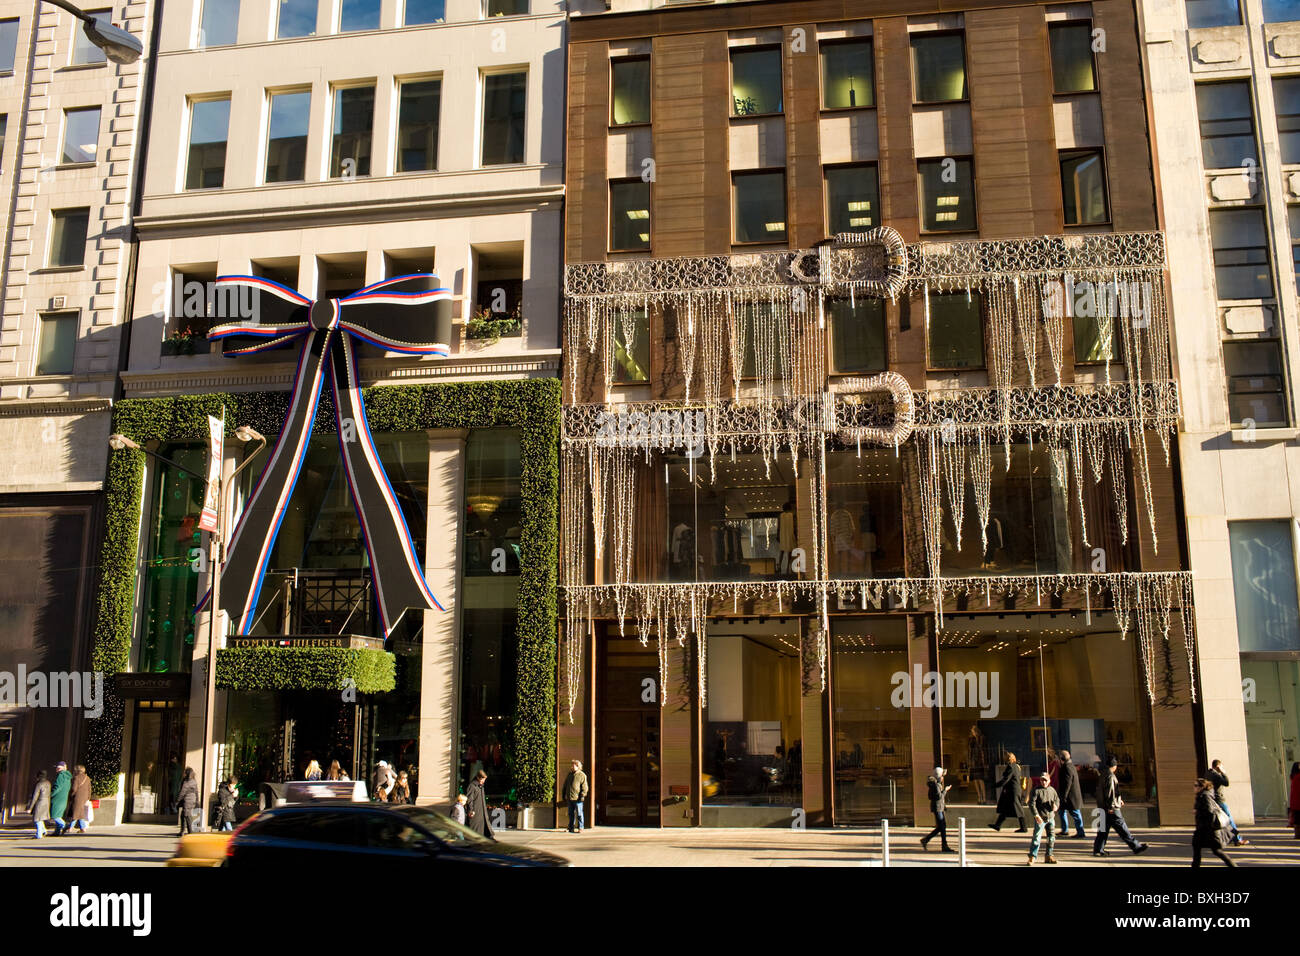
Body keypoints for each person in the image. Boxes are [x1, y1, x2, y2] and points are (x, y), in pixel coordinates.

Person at [1093, 755, 1149, 857]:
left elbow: (1107, 793)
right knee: (1123, 828)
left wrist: (1118, 800)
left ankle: (1098, 849)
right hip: (1112, 808)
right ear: (1114, 766)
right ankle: (1136, 846)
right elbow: (1110, 793)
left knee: (1102, 830)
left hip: (1103, 807)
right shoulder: (1111, 776)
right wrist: (1111, 806)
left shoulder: (1103, 775)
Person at [1192, 778, 1237, 867]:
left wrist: (1198, 812)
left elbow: (1210, 812)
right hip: (1205, 829)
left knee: (1216, 851)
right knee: (1198, 847)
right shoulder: (1203, 795)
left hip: (1208, 830)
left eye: (1196, 785)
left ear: (1202, 787)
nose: (1194, 787)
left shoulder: (1205, 796)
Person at [1205, 759, 1248, 846]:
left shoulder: (1207, 773)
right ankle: (1237, 839)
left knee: (1216, 821)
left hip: (1212, 800)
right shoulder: (1216, 775)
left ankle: (1212, 839)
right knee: (1229, 819)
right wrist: (1223, 772)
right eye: (1221, 767)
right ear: (1218, 767)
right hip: (1219, 800)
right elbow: (1226, 782)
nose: (1222, 768)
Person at [1027, 771, 1060, 865]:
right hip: (1040, 818)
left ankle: (1049, 855)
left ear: (1049, 781)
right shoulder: (1036, 790)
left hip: (1050, 817)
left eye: (1045, 780)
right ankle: (1032, 856)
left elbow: (1057, 799)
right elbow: (1031, 804)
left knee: (1051, 837)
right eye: (1042, 780)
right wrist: (1036, 815)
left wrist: (1056, 806)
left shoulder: (1052, 790)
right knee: (1037, 837)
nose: (1043, 782)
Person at [990, 752, 1028, 832]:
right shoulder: (1016, 766)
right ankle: (997, 825)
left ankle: (1024, 828)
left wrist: (994, 785)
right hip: (1013, 791)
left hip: (1012, 791)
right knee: (1005, 808)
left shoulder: (1011, 767)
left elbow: (1005, 780)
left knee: (1018, 808)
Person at [921, 765, 954, 852]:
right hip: (938, 808)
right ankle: (941, 844)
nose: (943, 777)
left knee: (942, 826)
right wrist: (945, 790)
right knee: (941, 826)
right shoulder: (936, 785)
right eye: (942, 776)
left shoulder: (934, 784)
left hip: (939, 807)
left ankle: (928, 840)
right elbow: (939, 796)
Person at [1058, 749, 1086, 838]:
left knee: (1075, 813)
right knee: (1062, 811)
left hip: (1070, 796)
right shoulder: (1070, 766)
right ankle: (1065, 829)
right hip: (1070, 796)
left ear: (1061, 758)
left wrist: (1064, 796)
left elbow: (1067, 783)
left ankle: (1080, 832)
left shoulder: (1067, 767)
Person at [464, 769, 494, 838]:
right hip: (476, 814)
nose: (483, 781)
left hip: (482, 814)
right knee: (475, 833)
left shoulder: (480, 786)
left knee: (484, 832)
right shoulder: (472, 786)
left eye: (484, 779)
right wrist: (471, 810)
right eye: (482, 779)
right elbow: (469, 799)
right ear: (478, 778)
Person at [562, 759, 590, 833]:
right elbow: (565, 785)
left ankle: (581, 827)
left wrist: (582, 795)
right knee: (571, 814)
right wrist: (564, 794)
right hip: (570, 798)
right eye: (572, 765)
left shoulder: (582, 775)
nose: (572, 766)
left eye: (574, 765)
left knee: (579, 814)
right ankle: (570, 827)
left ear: (578, 766)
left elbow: (585, 787)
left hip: (578, 798)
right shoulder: (570, 775)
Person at [27, 770, 52, 839]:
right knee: (41, 818)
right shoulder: (48, 783)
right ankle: (44, 830)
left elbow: (35, 796)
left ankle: (39, 834)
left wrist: (30, 807)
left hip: (39, 802)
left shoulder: (39, 784)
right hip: (46, 802)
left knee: (37, 819)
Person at [177, 767, 200, 836]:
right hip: (192, 800)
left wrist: (177, 800)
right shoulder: (194, 781)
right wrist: (197, 800)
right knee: (183, 815)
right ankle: (182, 831)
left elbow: (182, 792)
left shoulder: (187, 782)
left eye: (184, 772)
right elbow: (196, 791)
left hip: (187, 800)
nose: (183, 774)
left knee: (187, 816)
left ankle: (190, 832)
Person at [49, 761, 70, 836]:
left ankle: (64, 825)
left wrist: (50, 795)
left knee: (54, 815)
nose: (56, 769)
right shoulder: (67, 776)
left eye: (58, 767)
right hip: (63, 798)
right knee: (58, 815)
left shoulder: (61, 776)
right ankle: (57, 832)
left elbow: (57, 787)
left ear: (63, 768)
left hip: (57, 798)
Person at [1288, 762, 1300, 840]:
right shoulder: (1298, 777)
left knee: (1297, 820)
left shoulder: (1293, 777)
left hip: (1295, 802)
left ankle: (1297, 835)